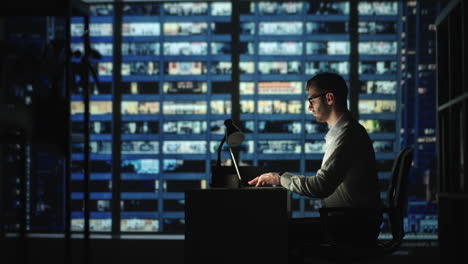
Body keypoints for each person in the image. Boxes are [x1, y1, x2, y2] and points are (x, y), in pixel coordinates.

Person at [248, 72, 382, 259]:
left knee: (277, 233)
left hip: (351, 226)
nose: (309, 106)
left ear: (329, 98)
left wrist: (278, 178)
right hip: (349, 221)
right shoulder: (345, 133)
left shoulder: (347, 136)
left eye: (311, 99)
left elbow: (320, 186)